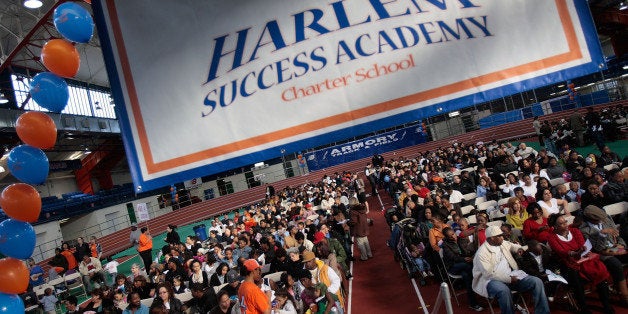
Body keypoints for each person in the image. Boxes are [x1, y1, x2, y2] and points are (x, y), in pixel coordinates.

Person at [472, 225, 550, 314]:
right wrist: (509, 279)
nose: (503, 237)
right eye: (500, 236)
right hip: (490, 281)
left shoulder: (502, 243)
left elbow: (513, 246)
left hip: (510, 275)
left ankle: (542, 312)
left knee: (537, 281)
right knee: (503, 290)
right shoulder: (481, 253)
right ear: (492, 238)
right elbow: (489, 274)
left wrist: (519, 248)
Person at [547, 213, 615, 314]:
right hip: (567, 263)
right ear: (555, 227)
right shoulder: (552, 237)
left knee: (599, 271)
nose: (566, 224)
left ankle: (606, 305)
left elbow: (582, 245)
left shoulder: (575, 231)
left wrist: (580, 252)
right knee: (575, 277)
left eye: (565, 221)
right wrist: (575, 252)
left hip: (583, 259)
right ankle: (584, 308)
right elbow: (562, 252)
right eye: (562, 224)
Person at [579, 205, 628, 305]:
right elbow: (597, 248)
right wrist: (601, 234)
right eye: (599, 219)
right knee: (616, 264)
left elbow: (617, 235)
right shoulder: (584, 230)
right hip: (601, 253)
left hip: (615, 248)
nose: (602, 221)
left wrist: (621, 244)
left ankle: (618, 287)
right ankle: (624, 297)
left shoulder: (606, 219)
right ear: (591, 219)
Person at [441, 227, 483, 311]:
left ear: (454, 232)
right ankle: (478, 282)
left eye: (453, 234)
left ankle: (473, 303)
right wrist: (464, 259)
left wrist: (470, 254)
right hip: (453, 266)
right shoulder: (445, 245)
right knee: (468, 267)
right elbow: (452, 257)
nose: (453, 237)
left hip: (465, 264)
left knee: (466, 276)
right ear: (446, 237)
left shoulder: (461, 239)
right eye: (450, 236)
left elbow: (468, 251)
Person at [348, 197, 372, 261]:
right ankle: (369, 254)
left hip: (358, 228)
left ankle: (364, 257)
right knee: (366, 242)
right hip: (364, 226)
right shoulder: (362, 207)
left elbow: (353, 221)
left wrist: (348, 222)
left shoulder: (353, 211)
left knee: (361, 244)